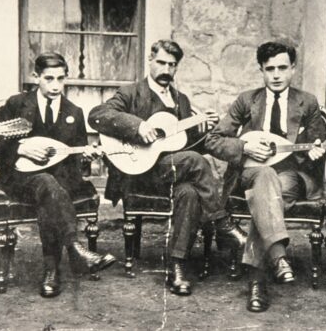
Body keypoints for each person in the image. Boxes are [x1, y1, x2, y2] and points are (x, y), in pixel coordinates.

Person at [88, 39, 246, 296]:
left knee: (190, 193)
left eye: (172, 65)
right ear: (150, 61)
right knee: (197, 162)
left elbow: (187, 144)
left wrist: (202, 128)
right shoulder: (131, 93)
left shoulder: (180, 100)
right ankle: (222, 224)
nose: (166, 70)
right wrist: (137, 126)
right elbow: (97, 115)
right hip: (138, 173)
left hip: (171, 171)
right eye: (161, 62)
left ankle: (177, 266)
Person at [205, 41, 326, 312]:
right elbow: (213, 140)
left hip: (291, 174)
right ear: (261, 70)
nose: (276, 75)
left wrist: (316, 152)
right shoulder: (247, 100)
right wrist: (243, 146)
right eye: (269, 68)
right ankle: (278, 256)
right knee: (264, 180)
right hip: (249, 172)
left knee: (266, 193)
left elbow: (317, 144)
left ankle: (257, 281)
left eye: (282, 68)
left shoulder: (307, 102)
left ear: (293, 69)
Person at [0, 52, 115, 299]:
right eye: (49, 79)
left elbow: (77, 163)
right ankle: (74, 249)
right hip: (19, 180)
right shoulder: (17, 105)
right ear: (36, 77)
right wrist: (21, 148)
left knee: (50, 187)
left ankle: (52, 271)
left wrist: (86, 158)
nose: (55, 86)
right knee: (47, 185)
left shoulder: (74, 111)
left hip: (58, 183)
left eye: (61, 79)